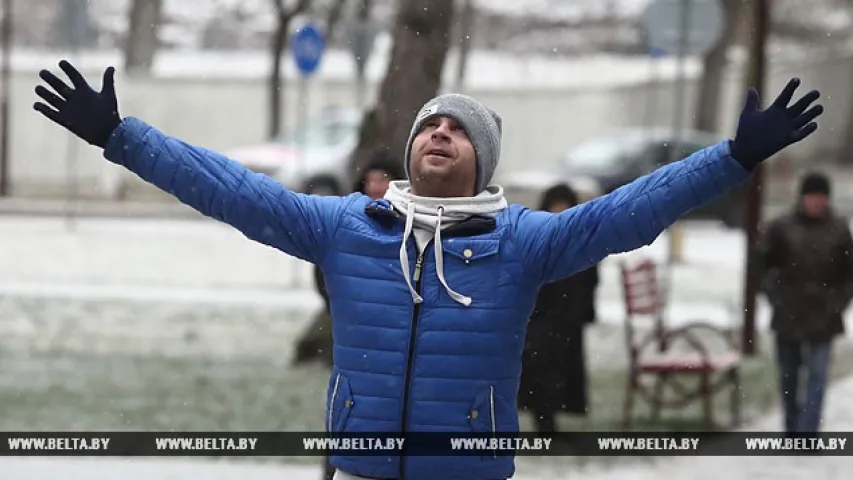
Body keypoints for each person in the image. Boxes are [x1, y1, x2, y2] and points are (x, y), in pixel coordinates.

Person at [33, 59, 822, 480]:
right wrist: (122, 136)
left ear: (482, 160)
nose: (438, 134)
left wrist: (732, 157)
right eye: (428, 125)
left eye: (457, 129)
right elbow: (234, 191)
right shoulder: (347, 226)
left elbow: (627, 211)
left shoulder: (523, 242)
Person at [757, 171, 853, 435]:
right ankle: (791, 427)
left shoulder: (839, 229)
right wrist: (775, 296)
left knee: (818, 377)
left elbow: (848, 273)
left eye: (822, 197)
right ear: (802, 198)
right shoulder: (781, 228)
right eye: (813, 196)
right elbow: (762, 267)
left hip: (825, 315)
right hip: (788, 312)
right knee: (789, 376)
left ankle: (808, 432)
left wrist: (838, 302)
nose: (817, 202)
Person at [293, 153, 405, 368]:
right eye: (370, 181)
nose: (375, 186)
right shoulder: (347, 221)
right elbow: (323, 268)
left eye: (381, 179)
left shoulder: (410, 222)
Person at [518, 184, 599, 434]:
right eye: (557, 204)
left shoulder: (580, 239)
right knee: (542, 372)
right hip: (542, 320)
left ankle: (553, 416)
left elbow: (590, 278)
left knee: (563, 373)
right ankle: (544, 421)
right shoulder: (535, 237)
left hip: (568, 321)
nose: (561, 210)